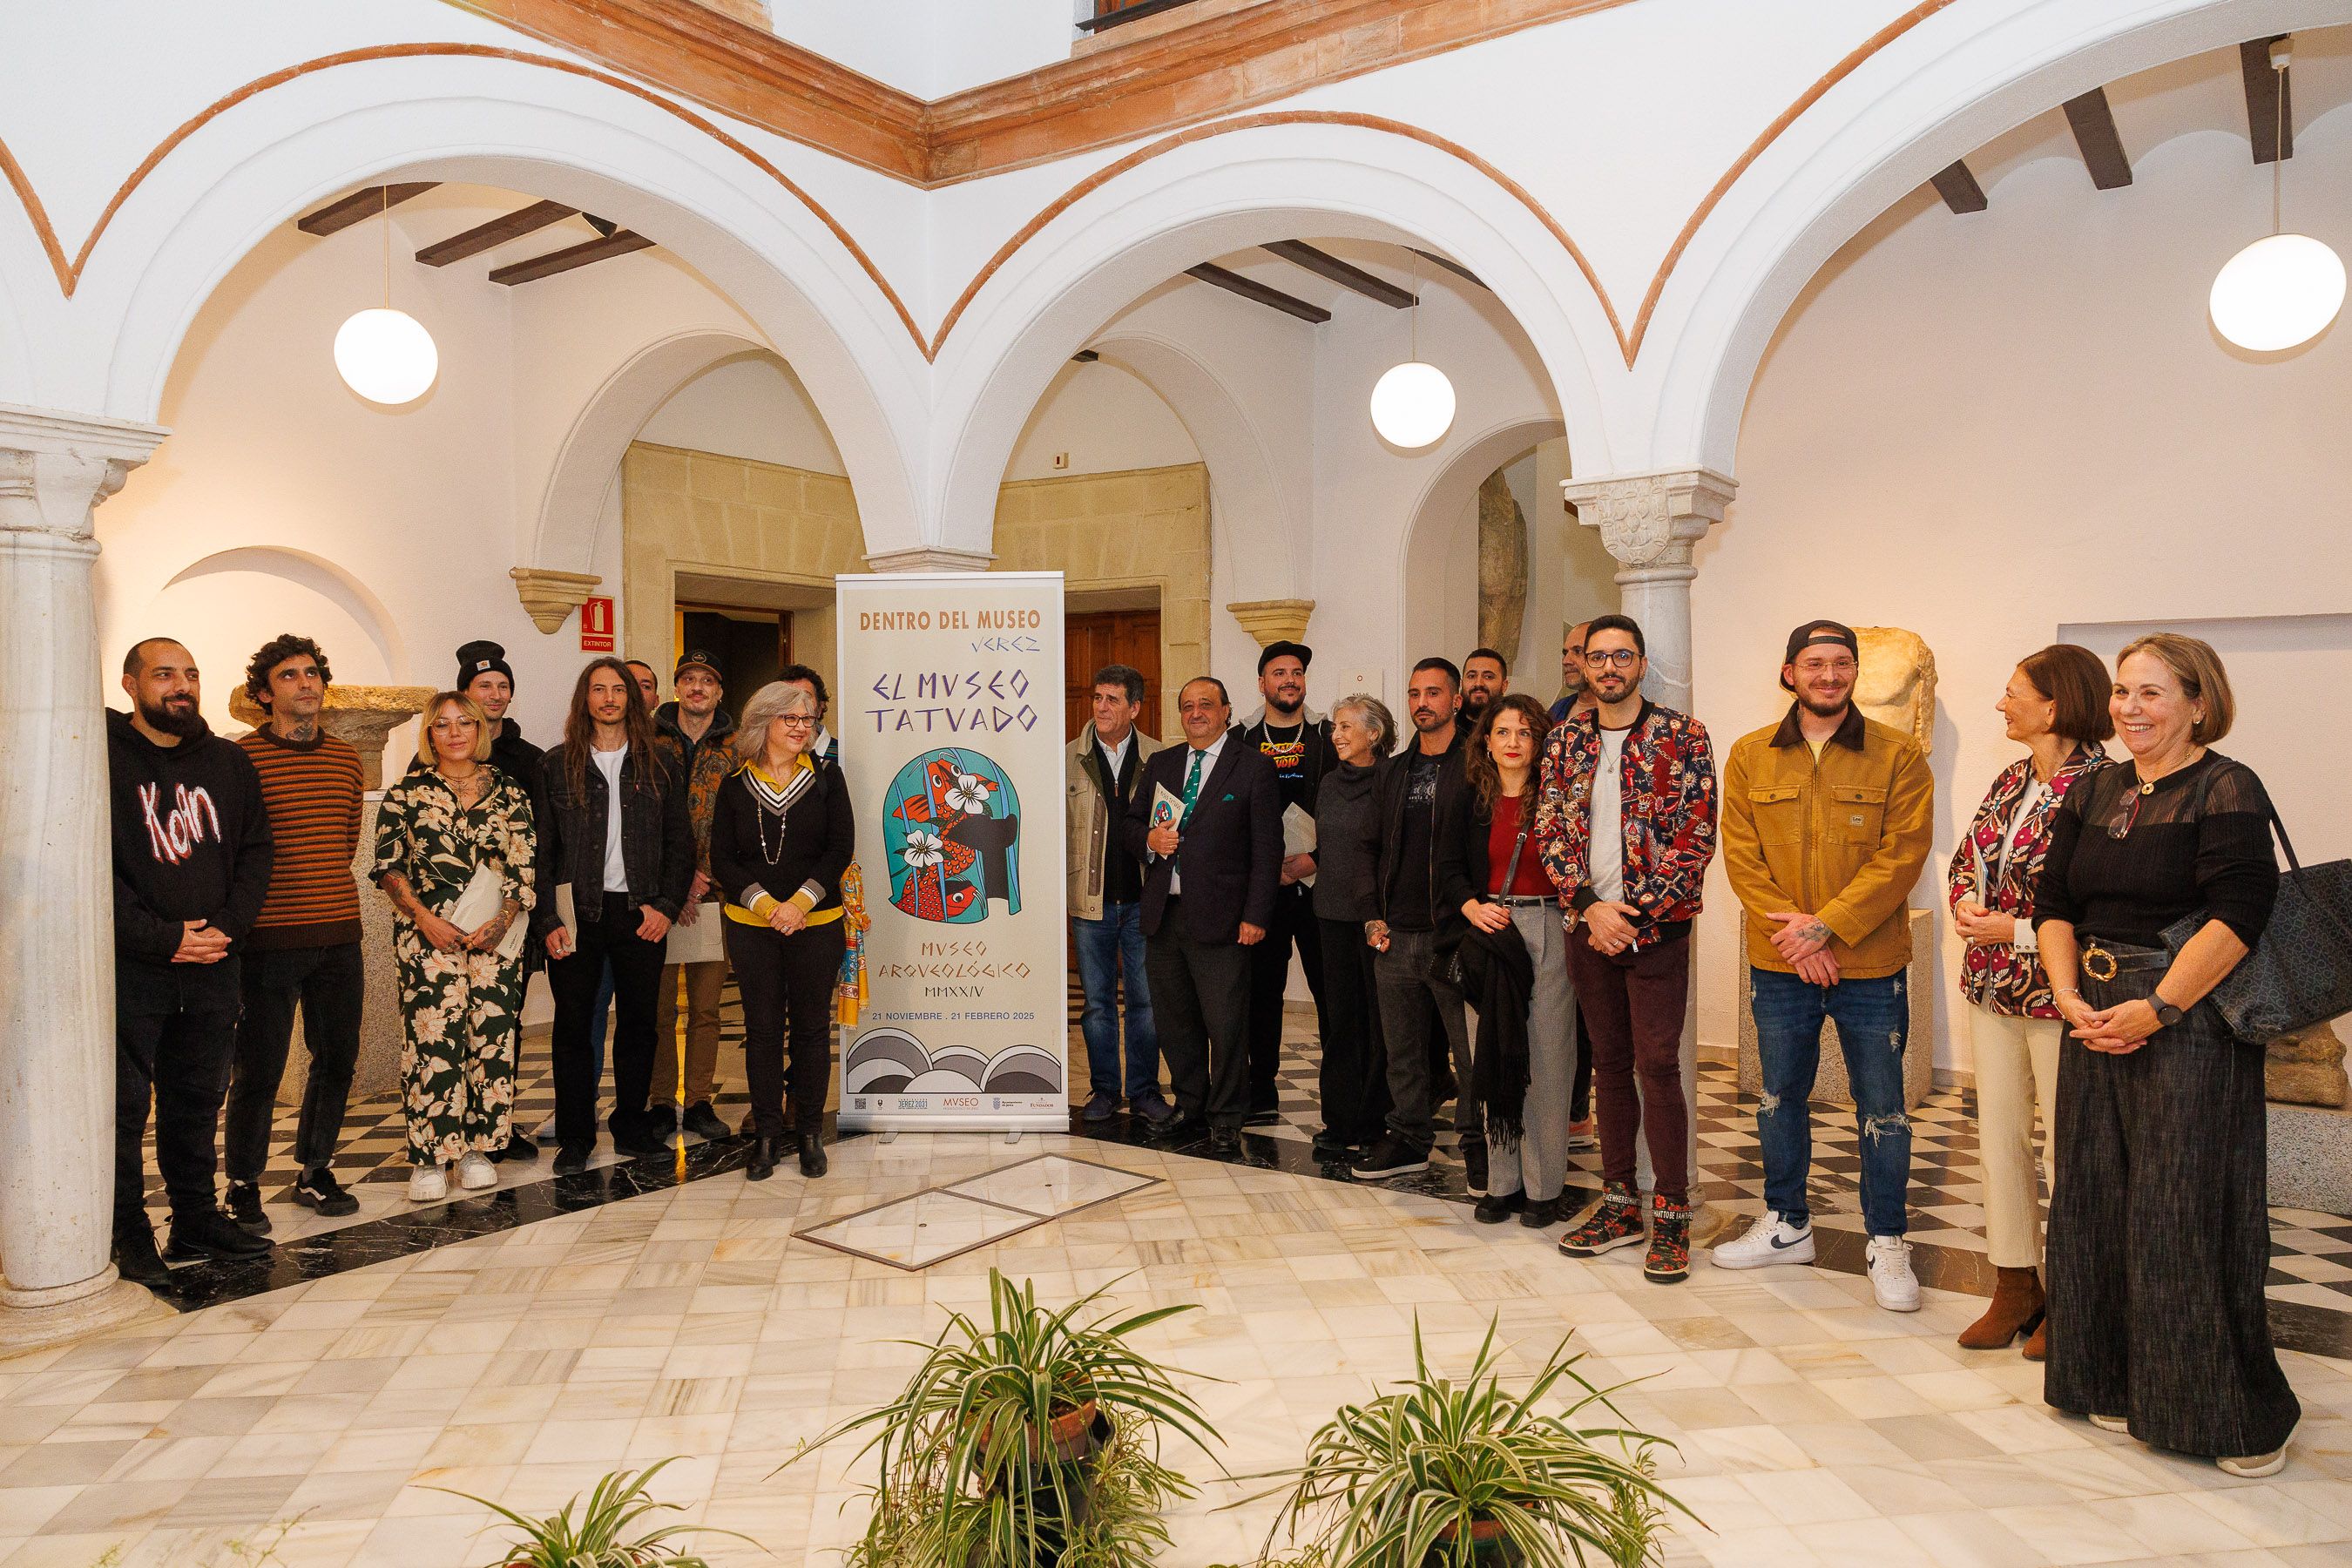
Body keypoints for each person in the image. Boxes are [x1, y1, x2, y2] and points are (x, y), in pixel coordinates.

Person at [2036, 634, 2297, 1476]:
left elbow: (2241, 914)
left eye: (2151, 693)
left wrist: (2158, 1007)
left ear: (2197, 702)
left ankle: (2231, 1417)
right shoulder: (2099, 785)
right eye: (2121, 692)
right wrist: (2070, 993)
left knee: (2184, 1210)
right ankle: (2115, 1380)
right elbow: (2054, 901)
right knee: (2096, 1197)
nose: (2129, 708)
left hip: (2185, 1016)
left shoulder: (2226, 786)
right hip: (2093, 1009)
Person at [1713, 620, 1934, 1312]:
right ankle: (1787, 1223)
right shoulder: (1751, 755)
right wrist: (1799, 940)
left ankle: (1888, 1240)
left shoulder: (1899, 754)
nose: (1829, 676)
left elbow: (1904, 854)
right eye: (1815, 664)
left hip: (1868, 961)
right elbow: (1741, 855)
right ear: (1790, 673)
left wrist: (1827, 928)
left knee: (1884, 1108)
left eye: (1842, 664)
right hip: (1780, 964)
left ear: (1854, 674)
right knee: (1779, 1098)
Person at [1538, 615, 1719, 1285]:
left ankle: (1670, 1214)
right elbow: (1549, 828)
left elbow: (1696, 836)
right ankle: (1620, 1205)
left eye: (1622, 656)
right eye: (1597, 657)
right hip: (1588, 928)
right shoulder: (1564, 743)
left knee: (1657, 1066)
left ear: (1642, 664)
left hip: (1658, 931)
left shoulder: (1683, 736)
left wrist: (1631, 916)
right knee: (1608, 1066)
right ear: (1582, 666)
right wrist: (1589, 908)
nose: (1609, 667)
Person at [1945, 645, 2113, 1355]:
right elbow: (1966, 858)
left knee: (2071, 1150)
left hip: (2064, 994)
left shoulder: (2109, 786)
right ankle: (2016, 1286)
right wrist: (1962, 900)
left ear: (2053, 706)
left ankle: (2076, 1297)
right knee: (1999, 1141)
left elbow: (2105, 900)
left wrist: (2013, 928)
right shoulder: (2012, 779)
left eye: (2013, 693)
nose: (2000, 703)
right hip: (1993, 989)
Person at [107, 639, 275, 1283]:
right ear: (130, 684)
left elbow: (256, 852)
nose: (182, 686)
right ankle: (128, 1234)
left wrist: (224, 929)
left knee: (198, 1097)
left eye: (192, 675)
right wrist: (162, 937)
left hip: (214, 961)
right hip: (135, 965)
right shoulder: (103, 756)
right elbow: (91, 863)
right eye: (164, 674)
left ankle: (196, 1217)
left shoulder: (229, 763)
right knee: (124, 1108)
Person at [221, 633, 367, 1230]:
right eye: (289, 676)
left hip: (338, 934)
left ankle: (314, 1169)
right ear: (264, 692)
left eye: (312, 674)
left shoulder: (346, 759)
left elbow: (346, 841)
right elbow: (230, 849)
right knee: (259, 1066)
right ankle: (242, 1183)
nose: (305, 684)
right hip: (268, 940)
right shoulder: (240, 760)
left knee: (336, 1058)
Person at [371, 693, 537, 1200]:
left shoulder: (510, 792)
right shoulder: (406, 792)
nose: (455, 732)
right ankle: (428, 1158)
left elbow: (524, 866)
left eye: (465, 722)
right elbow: (388, 867)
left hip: (494, 937)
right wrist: (426, 920)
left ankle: (476, 1150)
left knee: (491, 1040)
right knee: (432, 1044)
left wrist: (502, 919)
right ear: (429, 734)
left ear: (480, 729)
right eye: (442, 724)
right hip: (428, 939)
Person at [533, 657, 693, 1173]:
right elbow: (541, 850)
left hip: (641, 912)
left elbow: (680, 843)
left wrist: (666, 907)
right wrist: (547, 920)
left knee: (640, 1026)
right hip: (576, 915)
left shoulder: (662, 761)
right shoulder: (556, 764)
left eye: (617, 689)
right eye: (597, 689)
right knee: (575, 1028)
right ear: (585, 699)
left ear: (632, 698)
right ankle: (576, 1136)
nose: (608, 698)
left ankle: (630, 1124)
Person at [1121, 676, 1282, 1154]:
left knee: (1227, 1022)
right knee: (1175, 1020)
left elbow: (1267, 849)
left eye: (1206, 705)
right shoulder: (1162, 763)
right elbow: (1131, 825)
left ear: (1227, 711)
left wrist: (1256, 915)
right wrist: (1148, 840)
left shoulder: (1252, 767)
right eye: (1187, 705)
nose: (1196, 713)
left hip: (1225, 919)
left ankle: (1228, 1114)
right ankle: (1191, 1104)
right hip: (1163, 916)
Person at [1439, 694, 1576, 1227]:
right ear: (1487, 742)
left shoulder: (1560, 797)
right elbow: (1447, 865)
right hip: (1489, 931)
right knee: (1493, 1056)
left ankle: (1544, 1188)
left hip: (1549, 927)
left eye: (1525, 731)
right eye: (1502, 732)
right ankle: (1503, 1183)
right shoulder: (1471, 798)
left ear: (1541, 741)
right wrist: (1471, 906)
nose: (1513, 741)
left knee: (1546, 1058)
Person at [710, 681, 855, 1179]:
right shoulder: (734, 786)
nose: (801, 728)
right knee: (763, 1031)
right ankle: (768, 1134)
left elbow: (839, 850)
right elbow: (723, 859)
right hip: (752, 927)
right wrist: (767, 904)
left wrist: (798, 903)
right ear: (762, 723)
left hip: (816, 924)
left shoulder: (829, 779)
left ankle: (810, 1132)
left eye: (808, 720)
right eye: (790, 719)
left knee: (813, 1030)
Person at [1352, 658, 1482, 1187]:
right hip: (1395, 936)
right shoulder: (1393, 771)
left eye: (1433, 692)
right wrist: (1371, 915)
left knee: (1469, 1055)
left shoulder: (1477, 767)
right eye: (1414, 693)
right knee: (1402, 1052)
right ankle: (1408, 1139)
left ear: (1455, 700)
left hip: (1453, 936)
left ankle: (1478, 1144)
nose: (1422, 702)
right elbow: (1368, 847)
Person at [448, 639, 551, 1160]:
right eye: (484, 685)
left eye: (503, 686)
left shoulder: (528, 760)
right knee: (450, 1023)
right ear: (465, 693)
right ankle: (454, 1125)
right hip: (447, 918)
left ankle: (498, 1127)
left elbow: (539, 840)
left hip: (510, 913)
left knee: (500, 1022)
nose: (494, 694)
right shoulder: (439, 754)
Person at [1068, 663, 1171, 1123]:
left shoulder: (1162, 757)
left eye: (1113, 699)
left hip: (1144, 901)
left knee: (1146, 1004)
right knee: (1097, 1005)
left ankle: (1146, 1090)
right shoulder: (1067, 757)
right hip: (1089, 902)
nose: (1102, 707)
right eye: (1097, 698)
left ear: (1135, 707)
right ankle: (1105, 1091)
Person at [1240, 640, 1336, 1127]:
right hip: (1264, 892)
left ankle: (1341, 1097)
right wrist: (1267, 868)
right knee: (1262, 995)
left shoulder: (1328, 736)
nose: (1289, 680)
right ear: (1262, 683)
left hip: (1322, 890)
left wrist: (1312, 861)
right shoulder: (1240, 740)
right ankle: (1260, 1092)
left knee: (1332, 994)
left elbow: (1351, 815)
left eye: (1296, 672)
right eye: (1278, 673)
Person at [649, 649, 738, 1143]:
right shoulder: (649, 741)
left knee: (706, 1008)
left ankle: (700, 1101)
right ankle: (662, 1102)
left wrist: (703, 875)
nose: (697, 688)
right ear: (677, 688)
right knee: (660, 1008)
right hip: (660, 897)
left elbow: (744, 822)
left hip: (714, 894)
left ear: (718, 691)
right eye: (689, 679)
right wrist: (674, 881)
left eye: (707, 680)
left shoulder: (737, 747)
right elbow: (639, 819)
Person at [1313, 694, 1396, 1159]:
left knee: (1379, 1024)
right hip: (1330, 916)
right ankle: (1339, 1119)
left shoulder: (1390, 781)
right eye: (1334, 727)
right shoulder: (1327, 783)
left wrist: (1380, 915)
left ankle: (1375, 1120)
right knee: (1340, 1022)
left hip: (1375, 920)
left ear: (1374, 734)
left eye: (1346, 727)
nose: (1337, 735)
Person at [778, 663, 841, 766]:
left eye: (805, 697)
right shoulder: (769, 758)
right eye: (788, 697)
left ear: (821, 707)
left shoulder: (842, 755)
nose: (797, 704)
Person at [1548, 621, 1592, 725]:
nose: (1565, 661)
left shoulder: (1624, 714)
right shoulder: (1557, 710)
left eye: (1577, 651)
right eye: (1565, 653)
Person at [1461, 646, 1509, 727]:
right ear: (1461, 683)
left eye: (1488, 677)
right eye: (1471, 676)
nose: (1478, 683)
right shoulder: (1446, 730)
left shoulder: (1515, 727)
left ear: (1504, 686)